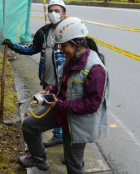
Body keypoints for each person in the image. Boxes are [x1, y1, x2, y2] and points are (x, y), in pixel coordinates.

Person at [17, 17, 110, 173]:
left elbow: (92, 105)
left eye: (64, 45)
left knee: (73, 164)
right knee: (29, 126)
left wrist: (59, 104)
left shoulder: (95, 69)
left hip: (77, 122)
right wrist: (51, 89)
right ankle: (39, 158)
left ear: (78, 43)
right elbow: (64, 82)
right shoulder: (72, 58)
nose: (61, 49)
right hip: (62, 110)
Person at [2, 0, 67, 147]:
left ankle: (67, 139)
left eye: (57, 11)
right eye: (50, 11)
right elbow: (32, 48)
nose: (53, 13)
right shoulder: (43, 32)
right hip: (47, 79)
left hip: (63, 80)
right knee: (51, 107)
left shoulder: (68, 30)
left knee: (64, 108)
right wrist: (13, 46)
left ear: (63, 14)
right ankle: (58, 135)